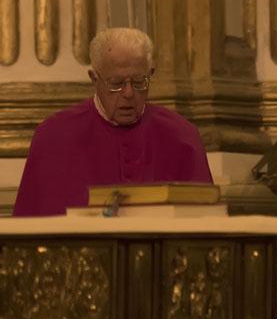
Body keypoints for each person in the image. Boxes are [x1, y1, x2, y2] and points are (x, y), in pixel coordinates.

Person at [14, 28, 212, 216]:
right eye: (116, 84)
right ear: (94, 79)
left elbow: (204, 224)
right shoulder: (53, 137)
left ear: (151, 75)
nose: (128, 94)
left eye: (138, 82)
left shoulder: (182, 137)